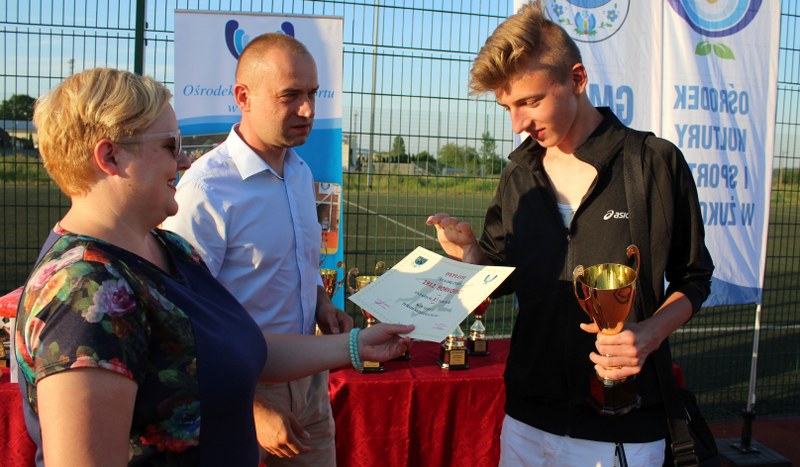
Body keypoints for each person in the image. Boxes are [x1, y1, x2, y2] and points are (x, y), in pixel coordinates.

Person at [15, 67, 413, 467]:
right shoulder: (84, 295)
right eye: (170, 145)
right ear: (110, 156)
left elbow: (236, 346)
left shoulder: (168, 248)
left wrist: (355, 345)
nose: (185, 159)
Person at [426, 2, 714, 466]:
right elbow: (502, 277)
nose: (518, 124)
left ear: (577, 79)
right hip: (524, 421)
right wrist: (472, 256)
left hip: (621, 426)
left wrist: (649, 334)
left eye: (530, 101)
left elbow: (694, 277)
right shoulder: (519, 174)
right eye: (507, 107)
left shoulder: (652, 162)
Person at [161, 33, 348, 465]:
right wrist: (252, 406)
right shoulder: (206, 189)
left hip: (309, 380)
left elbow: (296, 264)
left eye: (313, 94)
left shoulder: (300, 172)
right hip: (240, 391)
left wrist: (320, 302)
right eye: (290, 96)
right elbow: (180, 318)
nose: (308, 110)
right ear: (243, 97)